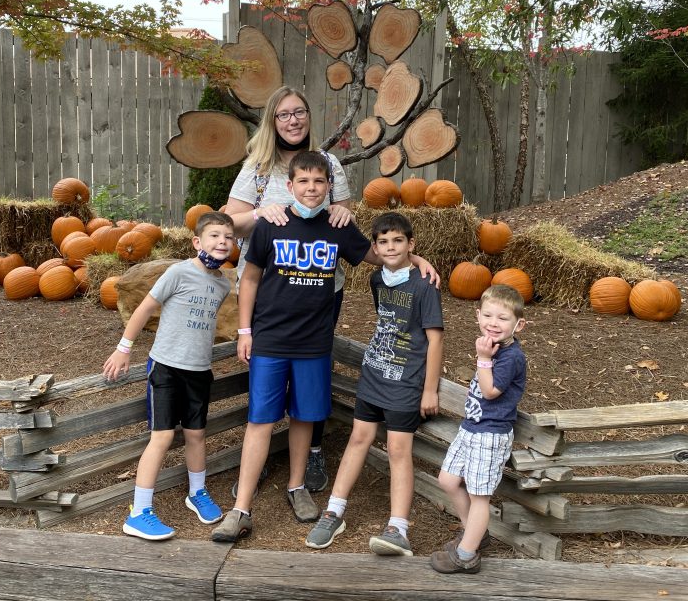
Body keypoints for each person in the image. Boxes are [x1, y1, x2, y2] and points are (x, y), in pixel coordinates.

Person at [212, 152, 437, 543]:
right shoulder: (270, 224)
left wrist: (415, 257)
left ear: (329, 186)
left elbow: (374, 254)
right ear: (291, 185)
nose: (311, 189)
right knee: (260, 419)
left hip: (315, 341)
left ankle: (297, 487)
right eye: (304, 182)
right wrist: (245, 330)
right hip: (270, 338)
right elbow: (248, 280)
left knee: (304, 415)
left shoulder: (338, 226)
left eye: (319, 182)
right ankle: (241, 508)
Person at [225, 85, 353, 492]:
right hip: (270, 287)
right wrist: (262, 212)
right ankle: (259, 454)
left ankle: (313, 450)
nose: (293, 120)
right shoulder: (259, 167)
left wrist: (345, 210)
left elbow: (344, 215)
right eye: (283, 115)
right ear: (272, 121)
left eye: (299, 112)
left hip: (320, 284)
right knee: (267, 371)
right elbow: (231, 221)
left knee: (312, 371)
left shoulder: (327, 162)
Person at [304, 211, 443, 556]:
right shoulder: (377, 280)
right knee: (358, 438)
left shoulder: (425, 285)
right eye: (383, 242)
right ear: (375, 248)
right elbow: (387, 321)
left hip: (406, 381)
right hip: (374, 373)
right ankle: (334, 511)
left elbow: (435, 340)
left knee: (398, 451)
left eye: (398, 241)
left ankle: (399, 528)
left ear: (411, 244)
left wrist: (429, 389)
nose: (391, 247)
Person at [101, 211, 236, 540]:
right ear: (197, 241)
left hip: (199, 371)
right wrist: (123, 347)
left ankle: (197, 492)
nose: (222, 242)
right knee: (161, 437)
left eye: (228, 238)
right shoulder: (178, 272)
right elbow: (145, 308)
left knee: (196, 435)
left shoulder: (222, 283)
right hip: (166, 368)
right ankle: (139, 511)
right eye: (215, 235)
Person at [430, 284, 527, 574]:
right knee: (447, 480)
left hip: (491, 433)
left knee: (479, 495)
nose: (493, 323)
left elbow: (489, 392)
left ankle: (466, 554)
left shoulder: (511, 357)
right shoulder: (493, 346)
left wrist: (482, 358)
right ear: (478, 315)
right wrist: (485, 355)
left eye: (503, 318)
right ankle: (475, 531)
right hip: (471, 428)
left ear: (518, 325)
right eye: (488, 315)